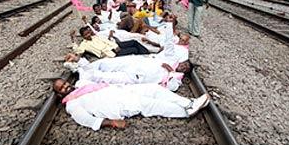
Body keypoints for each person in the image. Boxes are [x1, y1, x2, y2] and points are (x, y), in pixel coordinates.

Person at [53, 79, 211, 130]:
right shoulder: (71, 104)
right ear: (60, 94)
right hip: (119, 103)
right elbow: (84, 119)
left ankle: (189, 103)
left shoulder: (81, 86)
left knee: (154, 88)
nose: (66, 87)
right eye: (62, 88)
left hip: (123, 90)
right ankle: (186, 112)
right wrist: (111, 123)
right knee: (152, 105)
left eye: (65, 84)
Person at [63, 54, 192, 91]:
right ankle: (79, 61)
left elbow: (171, 88)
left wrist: (171, 73)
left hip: (136, 77)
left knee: (106, 77)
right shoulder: (171, 59)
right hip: (135, 62)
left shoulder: (177, 78)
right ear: (182, 61)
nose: (183, 67)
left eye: (186, 69)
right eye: (185, 64)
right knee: (106, 63)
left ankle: (79, 68)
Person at [74, 26, 149, 58]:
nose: (88, 35)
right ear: (83, 36)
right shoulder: (84, 44)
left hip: (114, 46)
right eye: (86, 34)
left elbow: (106, 41)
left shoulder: (95, 37)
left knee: (134, 42)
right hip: (110, 53)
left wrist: (115, 46)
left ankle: (147, 53)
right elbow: (78, 51)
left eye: (88, 33)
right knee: (134, 49)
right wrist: (72, 38)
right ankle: (144, 56)